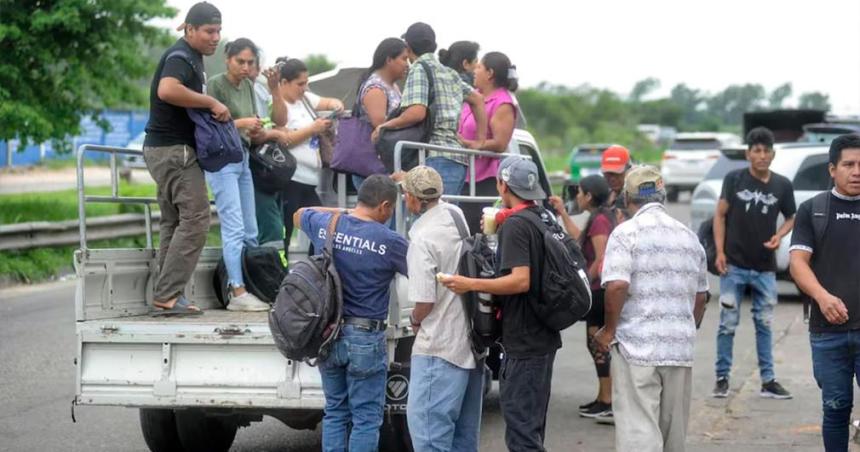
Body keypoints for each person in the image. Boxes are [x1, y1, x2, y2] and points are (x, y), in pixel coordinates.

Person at [441, 157, 557, 452]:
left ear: (502, 185)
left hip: (524, 340)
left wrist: (470, 284)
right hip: (542, 336)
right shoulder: (543, 217)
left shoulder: (516, 226)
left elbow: (520, 281)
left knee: (521, 433)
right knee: (532, 426)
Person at [595, 165, 709, 452]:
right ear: (663, 195)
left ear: (627, 198)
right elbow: (701, 297)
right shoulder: (689, 237)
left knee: (639, 431)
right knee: (673, 434)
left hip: (638, 348)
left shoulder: (625, 234)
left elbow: (617, 285)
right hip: (679, 350)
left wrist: (608, 331)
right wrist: (684, 327)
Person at [294, 175, 408, 452]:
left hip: (327, 334)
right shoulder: (391, 241)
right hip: (365, 337)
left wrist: (346, 213)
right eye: (390, 208)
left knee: (335, 411)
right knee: (366, 419)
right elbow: (422, 274)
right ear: (384, 205)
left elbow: (298, 215)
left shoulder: (327, 225)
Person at [142, 2, 225, 316]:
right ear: (190, 29)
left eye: (218, 30)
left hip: (164, 150)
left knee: (174, 222)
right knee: (196, 219)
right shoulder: (181, 57)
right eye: (208, 31)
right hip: (174, 152)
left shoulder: (192, 56)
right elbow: (167, 90)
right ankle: (167, 294)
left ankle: (167, 294)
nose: (215, 37)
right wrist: (211, 101)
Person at [402, 166, 483, 452]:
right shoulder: (455, 215)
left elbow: (425, 301)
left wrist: (413, 319)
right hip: (469, 342)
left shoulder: (421, 239)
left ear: (411, 199)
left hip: (438, 348)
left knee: (429, 437)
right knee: (463, 437)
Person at [711, 127, 795, 400]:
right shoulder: (734, 179)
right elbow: (720, 215)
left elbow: (792, 217)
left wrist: (779, 236)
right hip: (733, 265)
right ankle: (722, 378)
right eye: (756, 150)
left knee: (765, 324)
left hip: (765, 268)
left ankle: (768, 381)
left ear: (772, 154)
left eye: (766, 151)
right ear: (748, 154)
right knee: (727, 323)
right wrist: (720, 252)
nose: (761, 155)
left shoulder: (782, 185)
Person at [790, 134, 860, 451]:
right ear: (832, 169)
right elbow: (798, 263)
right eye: (849, 164)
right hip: (827, 331)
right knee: (835, 407)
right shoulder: (813, 210)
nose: (857, 171)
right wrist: (822, 296)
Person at [373, 22, 487, 196]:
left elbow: (417, 113)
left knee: (428, 218)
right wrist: (480, 140)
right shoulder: (450, 72)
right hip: (458, 158)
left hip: (435, 157)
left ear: (408, 47)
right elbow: (478, 100)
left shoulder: (419, 68)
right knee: (444, 217)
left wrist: (385, 126)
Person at [204, 38, 273, 311]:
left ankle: (250, 284)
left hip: (243, 156)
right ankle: (237, 290)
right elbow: (210, 126)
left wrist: (254, 130)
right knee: (233, 227)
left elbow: (250, 126)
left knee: (250, 229)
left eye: (250, 62)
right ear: (227, 59)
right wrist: (244, 123)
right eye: (240, 61)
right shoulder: (216, 85)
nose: (245, 67)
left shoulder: (248, 85)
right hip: (222, 160)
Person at [549, 175, 616, 423]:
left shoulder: (599, 220)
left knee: (598, 345)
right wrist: (563, 213)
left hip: (598, 292)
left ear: (588, 196)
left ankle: (608, 400)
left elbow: (601, 258)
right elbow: (578, 239)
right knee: (595, 343)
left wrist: (583, 283)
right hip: (597, 290)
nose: (577, 196)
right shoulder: (599, 217)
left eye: (580, 192)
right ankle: (603, 397)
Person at [272, 57, 345, 253]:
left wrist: (336, 105)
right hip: (291, 178)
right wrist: (313, 128)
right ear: (284, 83)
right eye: (300, 84)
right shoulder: (278, 105)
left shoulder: (305, 99)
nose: (304, 88)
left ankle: (317, 266)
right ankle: (282, 271)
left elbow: (327, 101)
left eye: (307, 83)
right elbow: (284, 139)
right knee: (285, 230)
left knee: (322, 226)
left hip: (310, 179)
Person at [457, 51, 519, 234]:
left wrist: (474, 145)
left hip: (484, 180)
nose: (474, 70)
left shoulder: (503, 103)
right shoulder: (473, 96)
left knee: (476, 232)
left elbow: (500, 143)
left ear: (490, 73)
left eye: (479, 67)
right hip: (464, 175)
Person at [351, 37, 410, 189]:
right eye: (404, 59)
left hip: (385, 164)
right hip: (372, 167)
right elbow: (381, 125)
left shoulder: (393, 87)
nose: (407, 65)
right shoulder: (376, 88)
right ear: (389, 59)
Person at [600, 144, 633, 210]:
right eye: (608, 173)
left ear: (628, 170)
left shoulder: (637, 199)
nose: (612, 179)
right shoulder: (602, 197)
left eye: (617, 173)